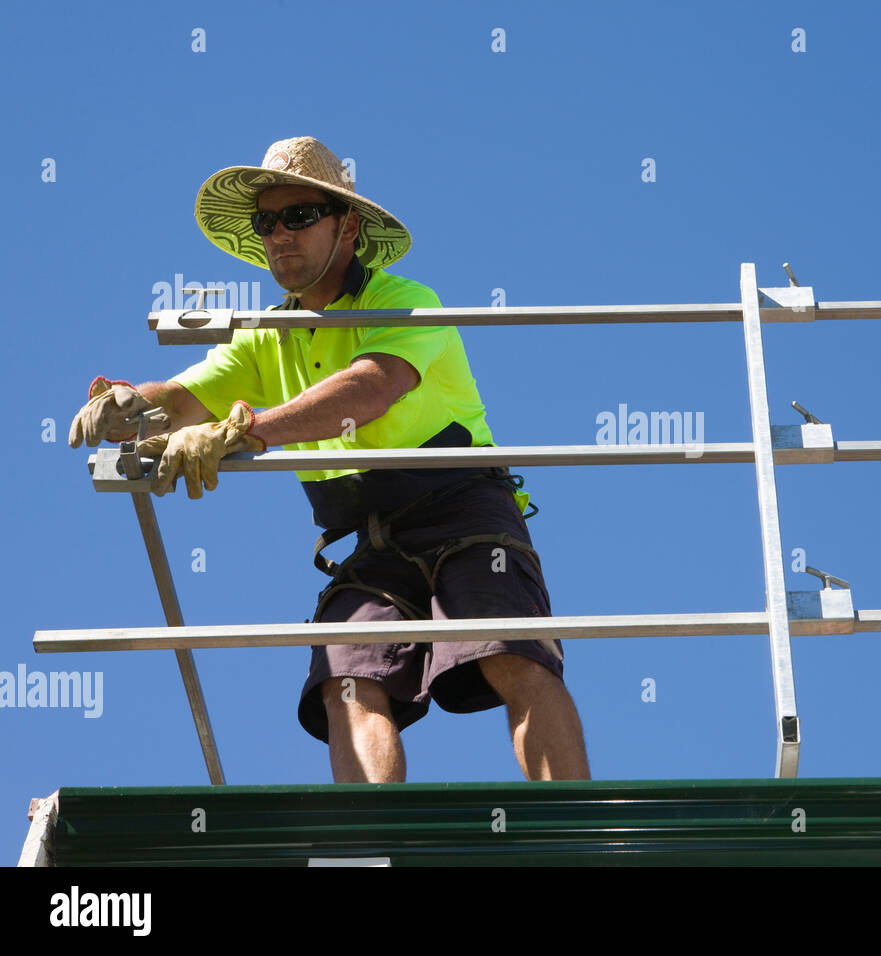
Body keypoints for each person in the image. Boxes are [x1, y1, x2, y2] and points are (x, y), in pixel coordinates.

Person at [68, 136, 590, 783]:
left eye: (298, 216)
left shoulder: (404, 299)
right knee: (347, 678)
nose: (279, 234)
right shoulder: (267, 337)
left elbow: (370, 388)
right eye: (267, 222)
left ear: (347, 227)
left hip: (462, 509)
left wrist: (244, 431)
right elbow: (181, 395)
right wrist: (126, 402)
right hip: (370, 539)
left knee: (510, 655)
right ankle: (374, 851)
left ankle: (576, 835)